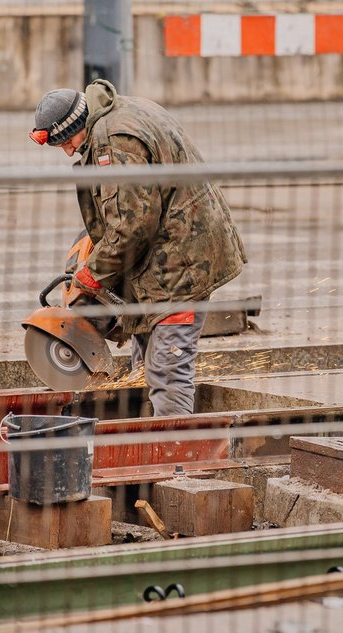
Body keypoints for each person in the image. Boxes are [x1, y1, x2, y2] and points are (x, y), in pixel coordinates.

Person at [30, 79, 248, 417]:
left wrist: (93, 273)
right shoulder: (120, 109)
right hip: (169, 255)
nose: (68, 151)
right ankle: (150, 442)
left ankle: (175, 460)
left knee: (165, 370)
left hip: (179, 267)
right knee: (144, 367)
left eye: (65, 142)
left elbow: (133, 226)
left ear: (75, 125)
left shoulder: (112, 141)